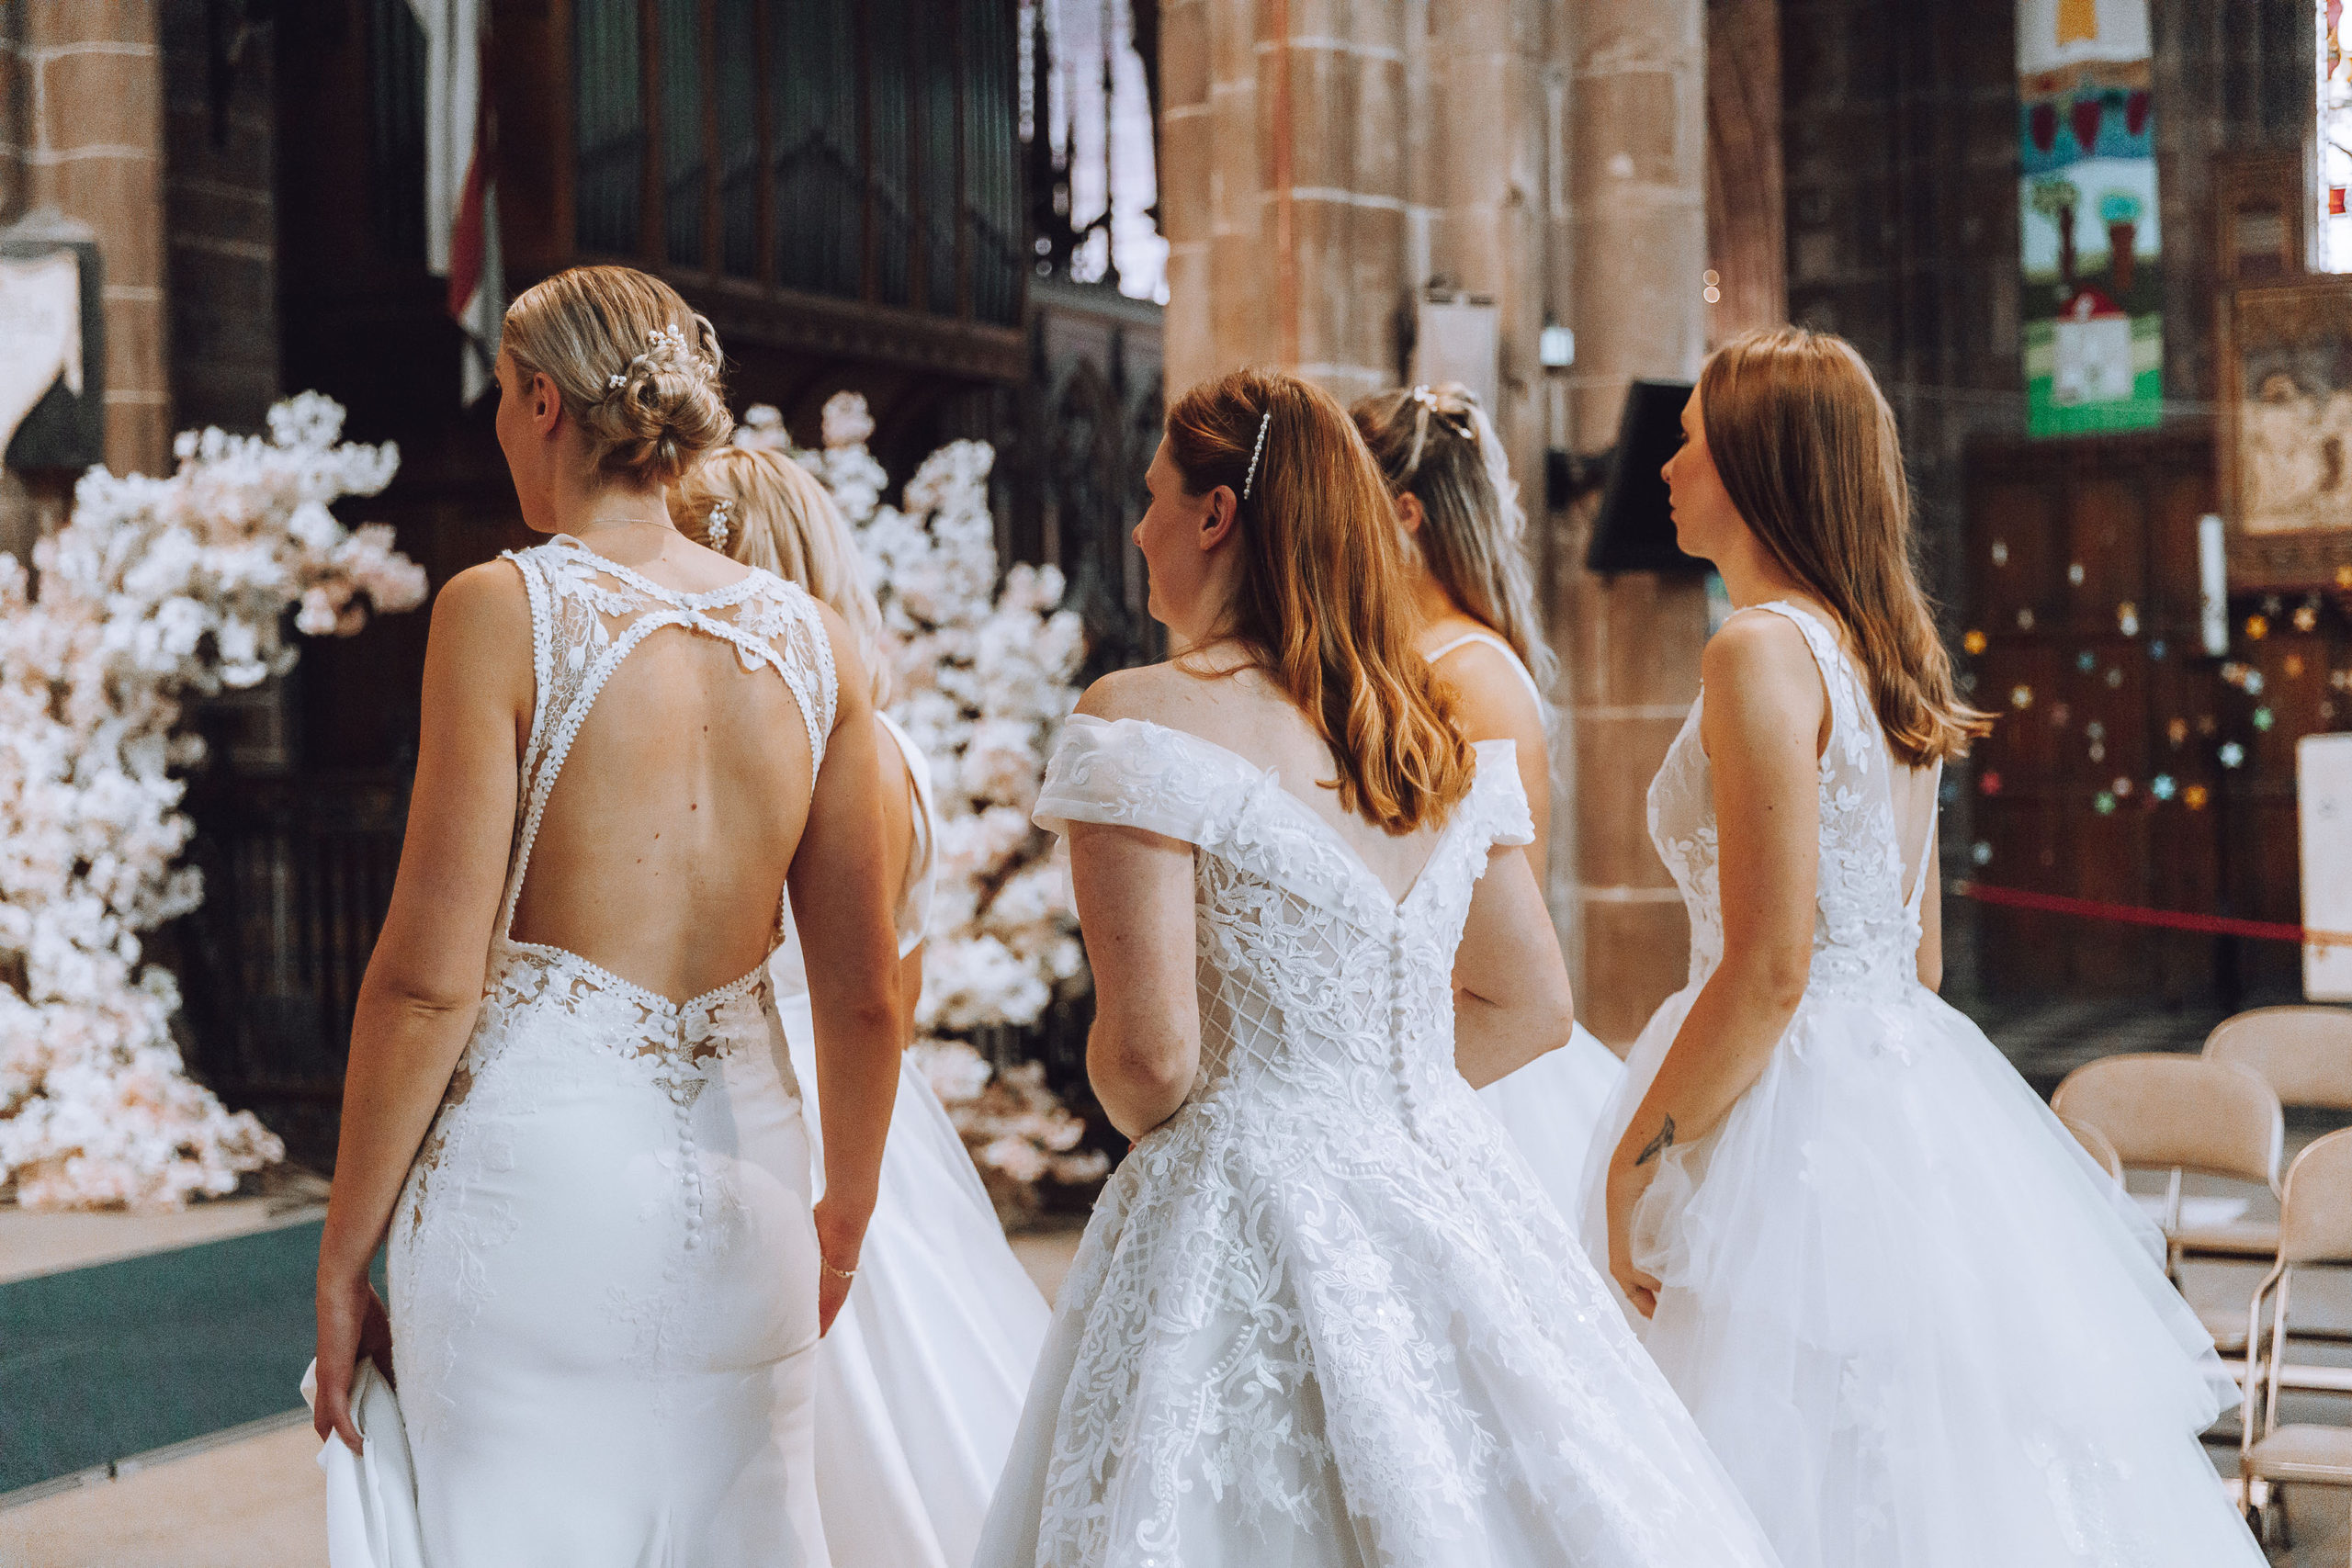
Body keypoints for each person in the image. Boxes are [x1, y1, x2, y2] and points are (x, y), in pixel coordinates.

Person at [974, 368, 1779, 1568]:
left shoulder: (1140, 715)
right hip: (1442, 1178)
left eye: (1153, 496)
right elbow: (1533, 1003)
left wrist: (1270, 1112)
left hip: (1238, 1204)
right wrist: (1361, 1085)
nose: (1137, 527)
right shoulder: (1425, 731)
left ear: (1215, 514)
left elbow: (1150, 1059)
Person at [1583, 326, 2263, 1568]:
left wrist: (1644, 1153)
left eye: (1686, 444)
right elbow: (1920, 959)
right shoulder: (1880, 658)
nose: (1667, 469)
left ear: (1753, 463)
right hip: (1903, 1089)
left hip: (1784, 1110)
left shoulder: (1758, 651)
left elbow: (1772, 964)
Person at [311, 265, 904, 1568]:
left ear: (538, 400)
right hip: (754, 1192)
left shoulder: (503, 609)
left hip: (539, 1193)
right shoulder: (818, 643)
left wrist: (340, 1251)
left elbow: (426, 981)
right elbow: (864, 990)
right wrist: (843, 1213)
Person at [671, 446, 1049, 1568]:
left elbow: (850, 992)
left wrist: (840, 1196)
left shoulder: (776, 751)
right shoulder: (893, 749)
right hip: (874, 1111)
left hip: (759, 1104)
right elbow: (899, 995)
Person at [1351, 382, 1625, 1215]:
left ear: (1403, 514)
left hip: (1466, 1047)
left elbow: (1482, 900)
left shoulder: (1463, 671)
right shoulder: (1414, 656)